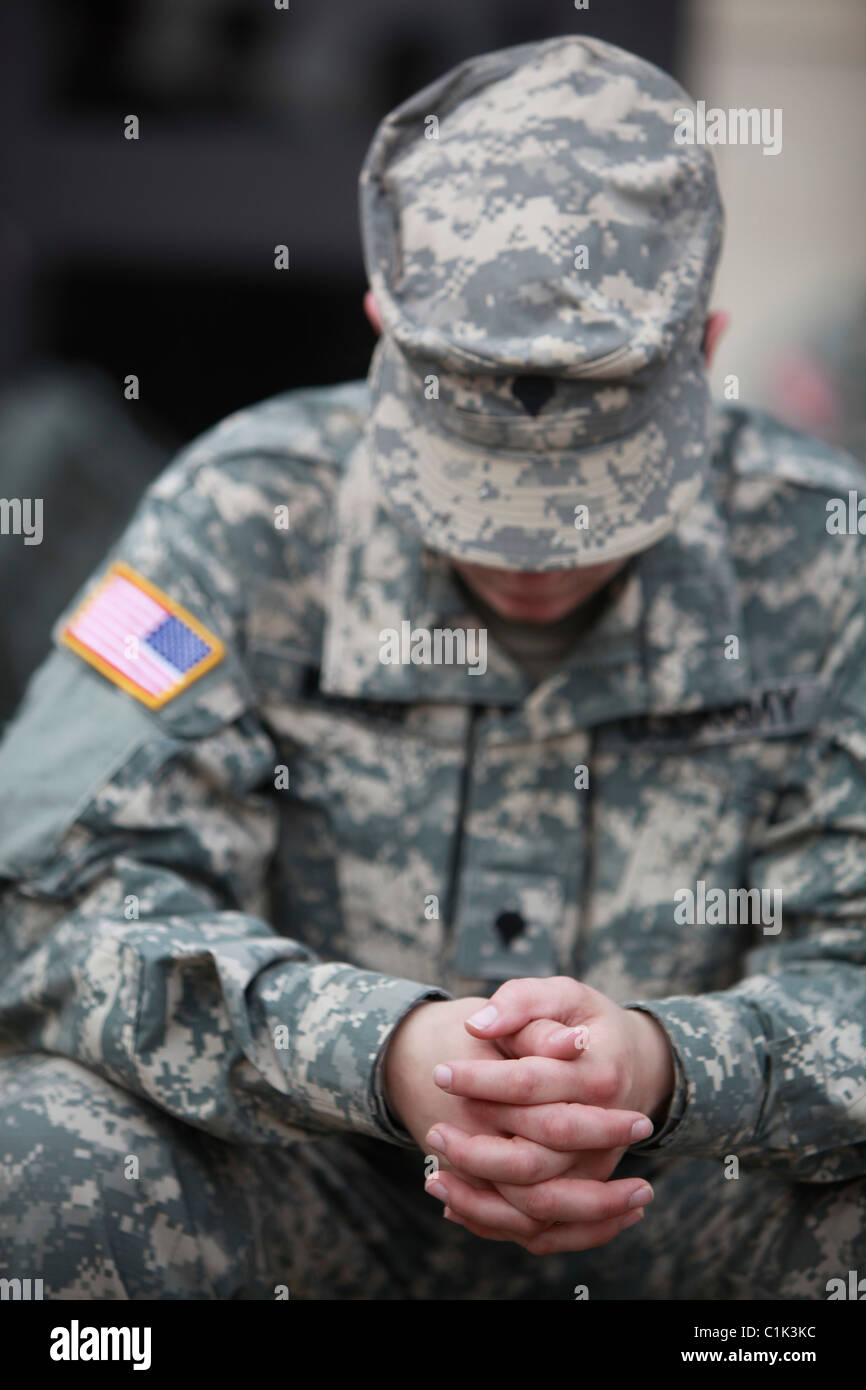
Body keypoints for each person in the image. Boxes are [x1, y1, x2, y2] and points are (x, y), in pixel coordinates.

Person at [1, 35, 864, 1301]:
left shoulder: (828, 555)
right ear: (377, 333)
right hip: (312, 1200)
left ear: (706, 345)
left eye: (589, 495)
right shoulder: (241, 516)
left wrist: (668, 1070)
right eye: (471, 487)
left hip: (693, 1230)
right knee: (46, 1162)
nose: (525, 552)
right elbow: (46, 905)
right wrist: (377, 1047)